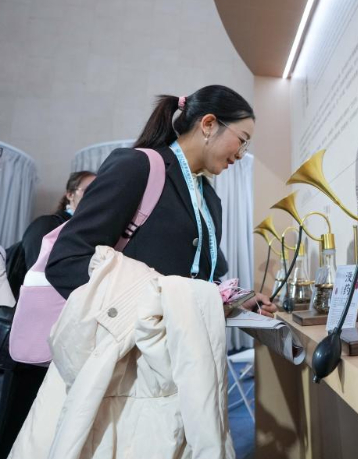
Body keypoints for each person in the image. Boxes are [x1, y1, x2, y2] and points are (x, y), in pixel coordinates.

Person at [46, 85, 276, 312]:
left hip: (184, 335)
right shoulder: (137, 167)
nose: (241, 154)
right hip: (136, 333)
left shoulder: (211, 200)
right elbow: (66, 261)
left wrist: (233, 303)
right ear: (208, 124)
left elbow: (194, 281)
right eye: (242, 140)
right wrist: (145, 308)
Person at [0, 170, 96, 459]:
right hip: (33, 341)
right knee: (15, 425)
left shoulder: (92, 230)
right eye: (89, 190)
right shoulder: (48, 224)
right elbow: (49, 273)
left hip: (65, 341)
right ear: (70, 194)